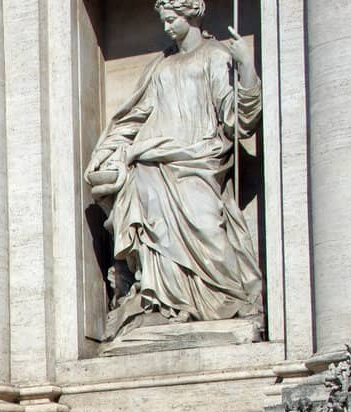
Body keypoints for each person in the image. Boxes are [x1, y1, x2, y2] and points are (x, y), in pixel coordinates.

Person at [85, 0, 262, 339]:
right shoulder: (160, 66)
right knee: (153, 226)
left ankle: (223, 295)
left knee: (207, 225)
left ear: (191, 16)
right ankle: (163, 303)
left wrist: (246, 68)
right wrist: (108, 153)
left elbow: (238, 121)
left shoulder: (216, 56)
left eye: (172, 19)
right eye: (164, 20)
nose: (167, 27)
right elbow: (134, 116)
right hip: (153, 161)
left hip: (200, 158)